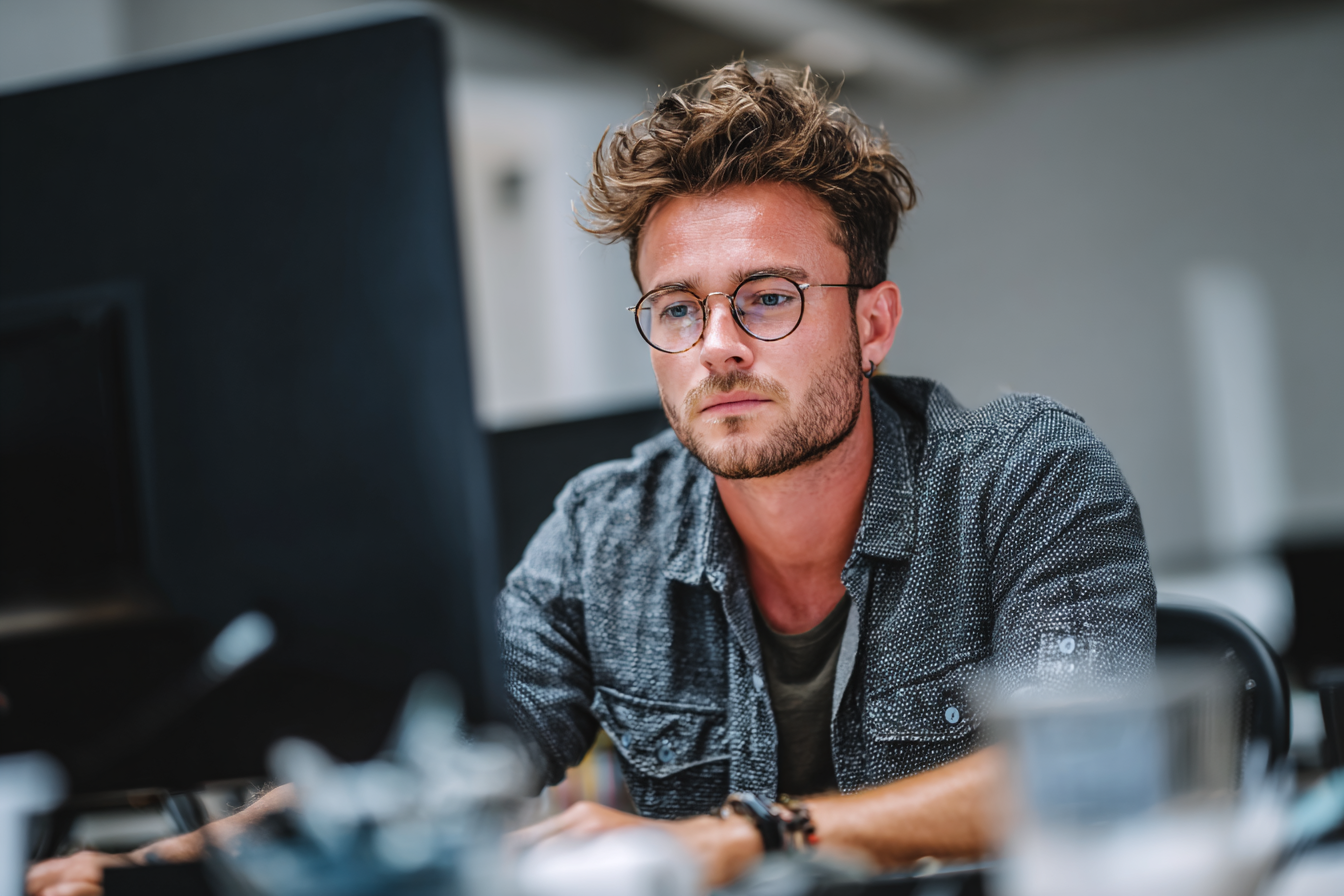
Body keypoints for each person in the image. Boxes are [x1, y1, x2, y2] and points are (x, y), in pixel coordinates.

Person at [27, 61, 1155, 896]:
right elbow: (444, 757)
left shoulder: (1024, 476)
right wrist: (170, 862)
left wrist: (741, 833)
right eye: (679, 307)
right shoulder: (606, 532)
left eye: (768, 297)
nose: (717, 343)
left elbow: (1083, 769)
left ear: (873, 322)